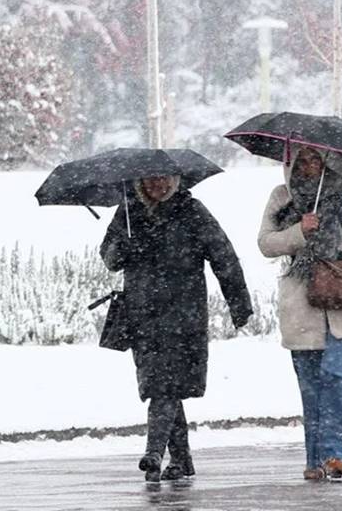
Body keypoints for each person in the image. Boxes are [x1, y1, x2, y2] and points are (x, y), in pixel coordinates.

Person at [100, 174, 254, 482]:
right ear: (140, 183)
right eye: (150, 180)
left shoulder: (192, 211)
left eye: (164, 179)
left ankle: (154, 452)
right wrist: (124, 249)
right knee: (162, 386)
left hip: (183, 317)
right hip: (142, 316)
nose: (157, 185)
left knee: (164, 387)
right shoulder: (128, 213)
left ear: (175, 181)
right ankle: (182, 460)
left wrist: (239, 304)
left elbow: (224, 257)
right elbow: (108, 256)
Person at [257, 146, 342, 481]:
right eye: (304, 159)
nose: (310, 165)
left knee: (339, 378)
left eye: (317, 159)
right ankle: (315, 460)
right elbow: (266, 243)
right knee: (311, 386)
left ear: (328, 161)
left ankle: (334, 455)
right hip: (302, 300)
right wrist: (300, 230)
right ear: (293, 163)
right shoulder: (282, 196)